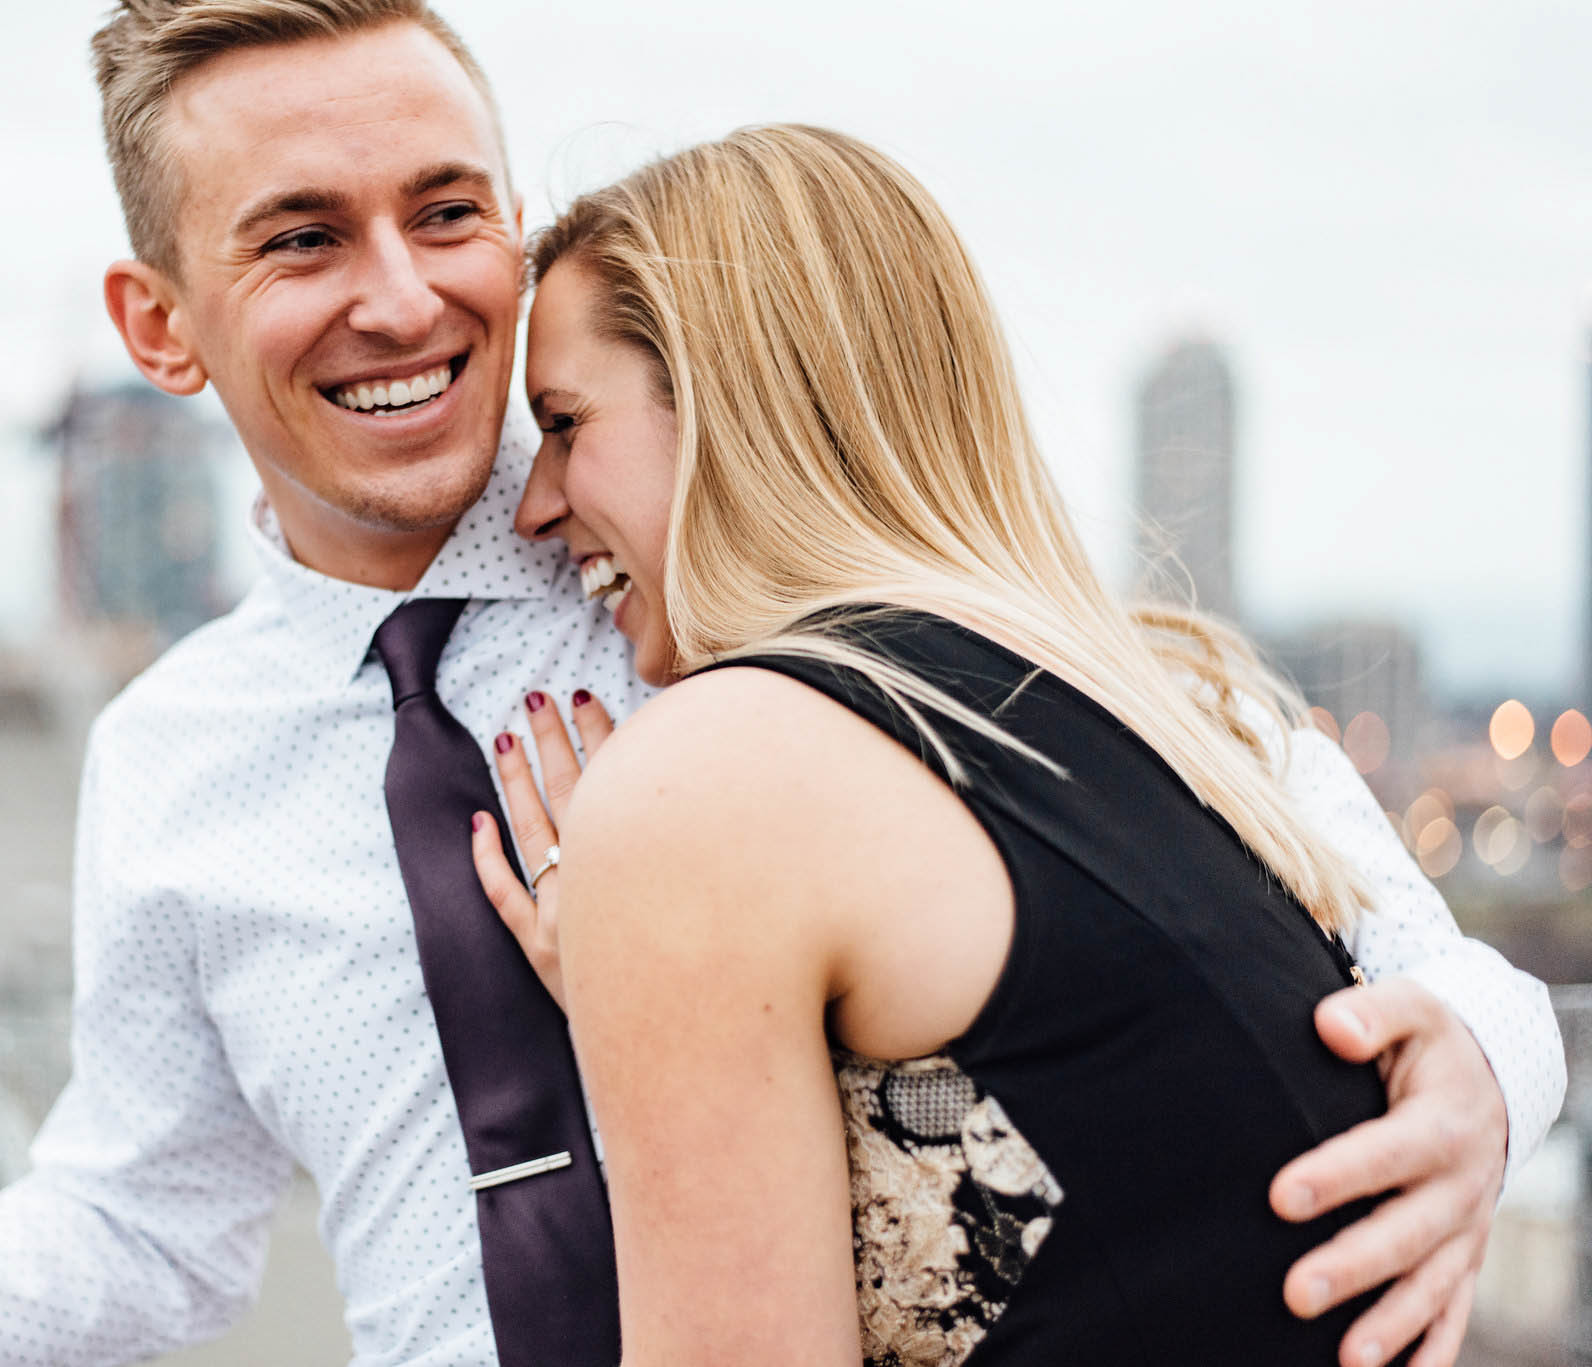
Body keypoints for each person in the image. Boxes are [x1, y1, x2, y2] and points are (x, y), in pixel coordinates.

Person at [0, 6, 1560, 1367]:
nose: (406, 296)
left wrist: (1478, 1055)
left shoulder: (733, 555)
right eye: (303, 236)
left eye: (447, 209)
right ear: (156, 322)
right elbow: (134, 1229)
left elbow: (1270, 836)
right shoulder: (172, 772)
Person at [467, 121, 1549, 1367]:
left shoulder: (704, 777)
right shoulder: (1163, 713)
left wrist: (647, 937)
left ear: (734, 405)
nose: (535, 505)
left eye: (561, 422)